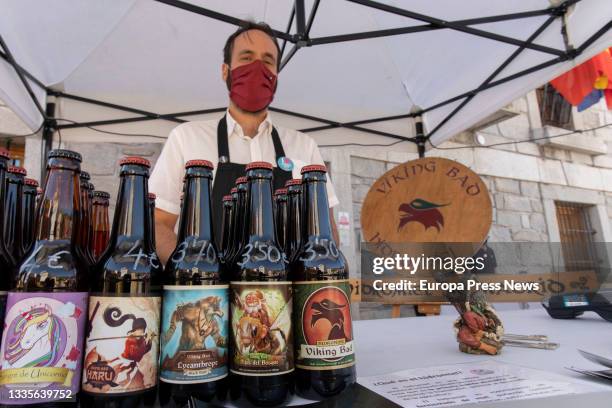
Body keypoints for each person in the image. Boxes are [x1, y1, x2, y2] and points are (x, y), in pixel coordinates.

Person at [149, 22, 339, 265]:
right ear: (225, 71)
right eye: (247, 58)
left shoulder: (304, 146)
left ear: (276, 76)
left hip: (285, 296)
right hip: (208, 295)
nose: (257, 67)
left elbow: (328, 231)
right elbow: (156, 224)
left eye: (268, 61)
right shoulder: (186, 138)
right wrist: (194, 268)